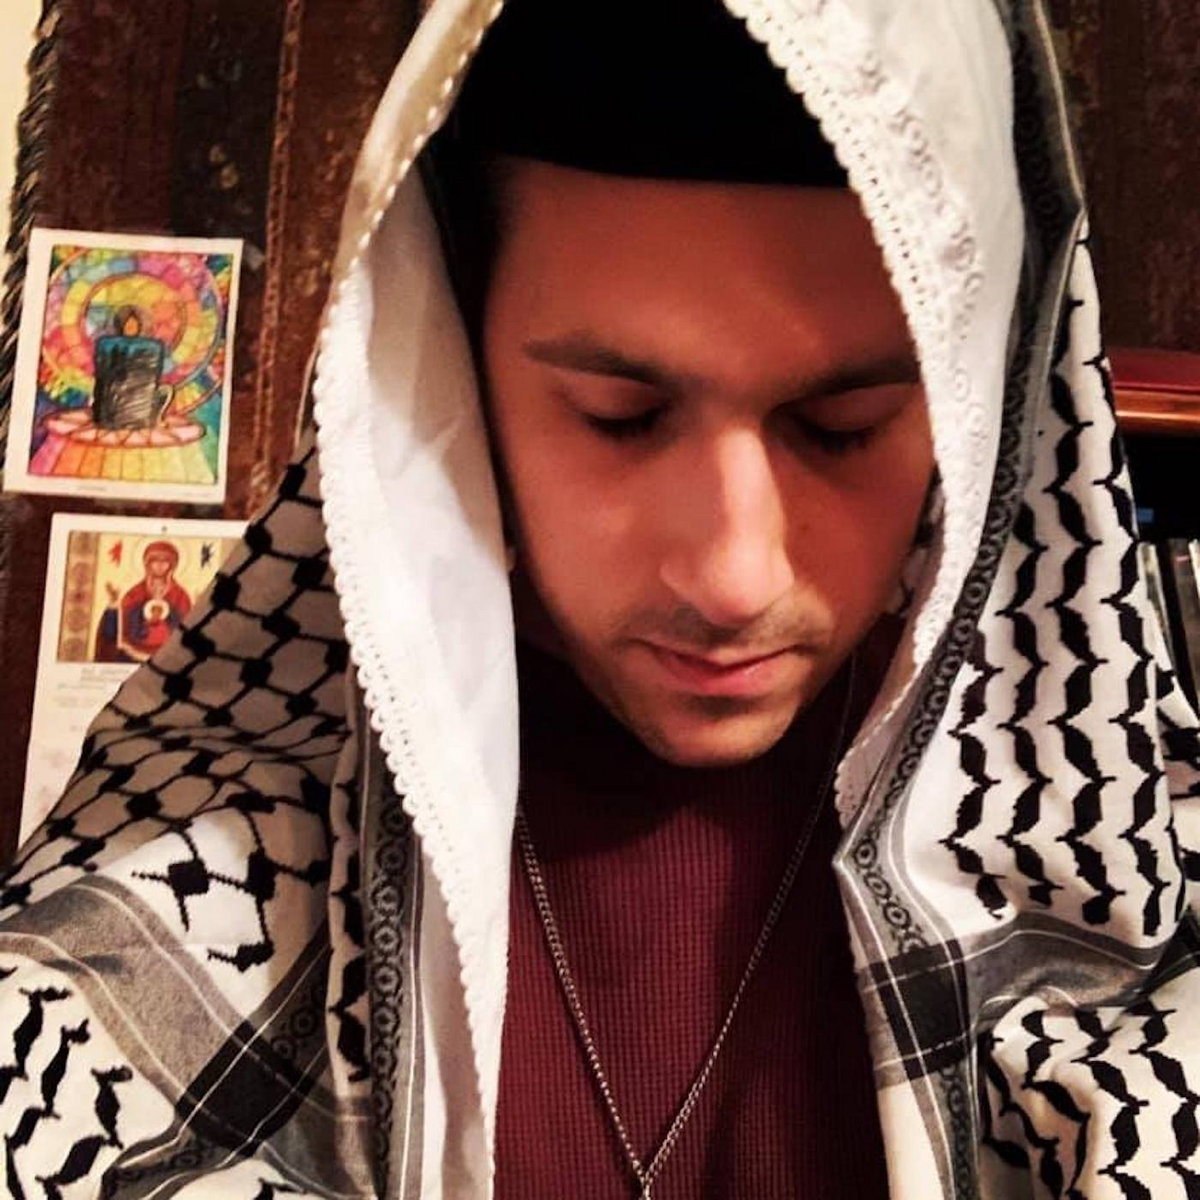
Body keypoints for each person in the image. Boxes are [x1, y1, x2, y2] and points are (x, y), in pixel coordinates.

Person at [1, 1, 1199, 1198]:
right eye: (619, 419)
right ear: (453, 372)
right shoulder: (219, 859)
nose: (734, 578)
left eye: (843, 429)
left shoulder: (1114, 863)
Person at [94, 540, 192, 662]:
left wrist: (168, 617)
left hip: (171, 655)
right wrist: (114, 603)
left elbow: (186, 626)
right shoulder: (134, 593)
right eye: (155, 561)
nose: (160, 565)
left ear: (172, 565)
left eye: (165, 561)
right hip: (134, 652)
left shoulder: (180, 595)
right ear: (147, 564)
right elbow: (121, 624)